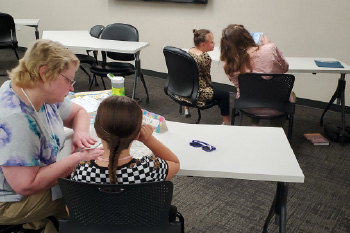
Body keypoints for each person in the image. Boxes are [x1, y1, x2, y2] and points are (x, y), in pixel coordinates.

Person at [0, 39, 104, 233]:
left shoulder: (34, 90)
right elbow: (26, 186)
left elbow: (79, 112)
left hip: (28, 176)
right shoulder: (17, 120)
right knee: (88, 192)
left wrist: (80, 133)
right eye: (68, 80)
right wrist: (76, 159)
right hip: (8, 200)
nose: (72, 88)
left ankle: (44, 222)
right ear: (45, 72)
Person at [71, 95, 180, 184]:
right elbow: (174, 163)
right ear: (137, 134)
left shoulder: (82, 172)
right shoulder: (148, 169)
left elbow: (72, 208)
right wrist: (148, 139)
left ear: (97, 130)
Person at [220, 24, 294, 126]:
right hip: (278, 106)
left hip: (248, 105)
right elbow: (285, 68)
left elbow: (237, 84)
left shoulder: (228, 61)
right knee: (290, 95)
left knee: (255, 90)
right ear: (247, 36)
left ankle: (255, 125)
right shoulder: (269, 48)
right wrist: (269, 46)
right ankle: (276, 129)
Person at [177, 29, 230, 125]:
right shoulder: (205, 57)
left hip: (186, 89)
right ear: (202, 45)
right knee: (225, 95)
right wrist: (211, 89)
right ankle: (227, 123)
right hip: (198, 92)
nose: (214, 43)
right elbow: (207, 78)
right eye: (212, 42)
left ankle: (186, 106)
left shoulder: (190, 51)